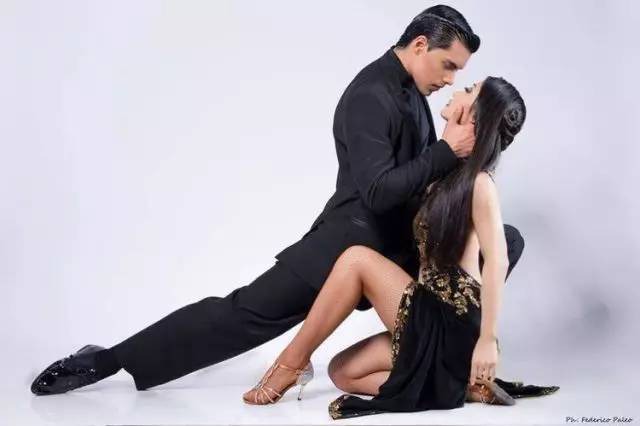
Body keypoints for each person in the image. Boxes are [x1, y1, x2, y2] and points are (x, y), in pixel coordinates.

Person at [31, 5, 513, 399]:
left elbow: (427, 186)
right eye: (449, 65)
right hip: (347, 242)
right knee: (244, 315)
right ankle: (108, 359)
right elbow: (378, 191)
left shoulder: (416, 97)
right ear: (420, 45)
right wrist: (444, 152)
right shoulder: (371, 95)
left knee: (505, 239)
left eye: (459, 72)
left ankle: (450, 359)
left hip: (395, 250)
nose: (451, 79)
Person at [241, 77, 559, 418]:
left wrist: (487, 340)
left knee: (356, 260)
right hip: (429, 315)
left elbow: (497, 260)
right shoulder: (443, 174)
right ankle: (456, 386)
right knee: (342, 371)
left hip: (453, 324)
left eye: (468, 91)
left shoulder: (479, 183)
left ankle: (290, 364)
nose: (456, 90)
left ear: (474, 116)